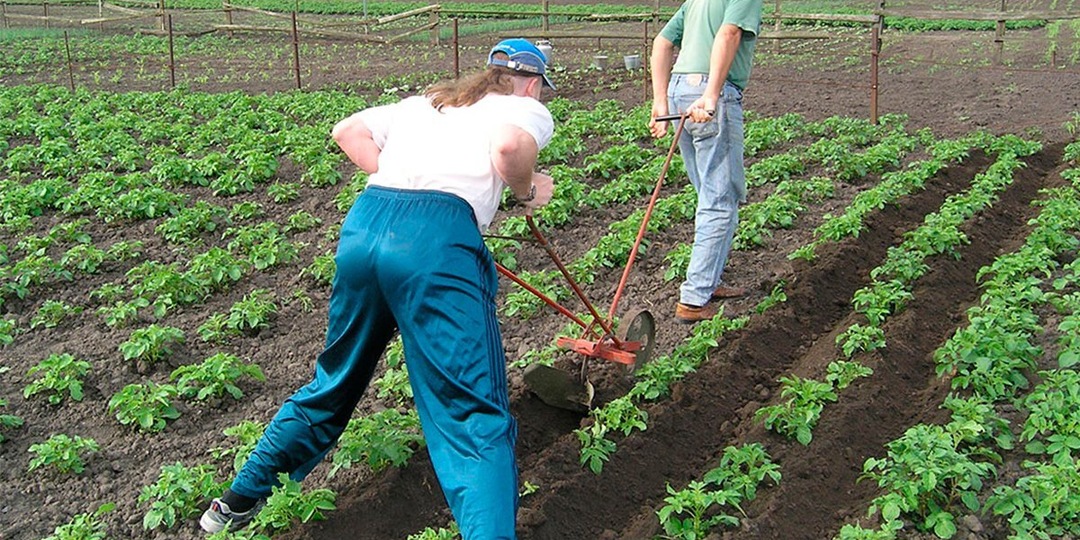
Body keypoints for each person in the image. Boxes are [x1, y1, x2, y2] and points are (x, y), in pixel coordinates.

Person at [199, 38, 556, 539]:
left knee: (334, 379)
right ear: (534, 83)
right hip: (438, 242)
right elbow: (509, 148)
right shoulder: (523, 107)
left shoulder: (428, 102)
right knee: (472, 410)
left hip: (366, 227)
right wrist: (525, 189)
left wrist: (402, 179)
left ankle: (235, 504)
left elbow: (346, 131)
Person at [649, 0, 763, 324]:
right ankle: (694, 298)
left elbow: (662, 42)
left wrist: (660, 102)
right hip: (708, 94)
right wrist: (712, 94)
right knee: (719, 200)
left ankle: (708, 280)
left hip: (678, 90)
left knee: (709, 195)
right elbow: (728, 34)